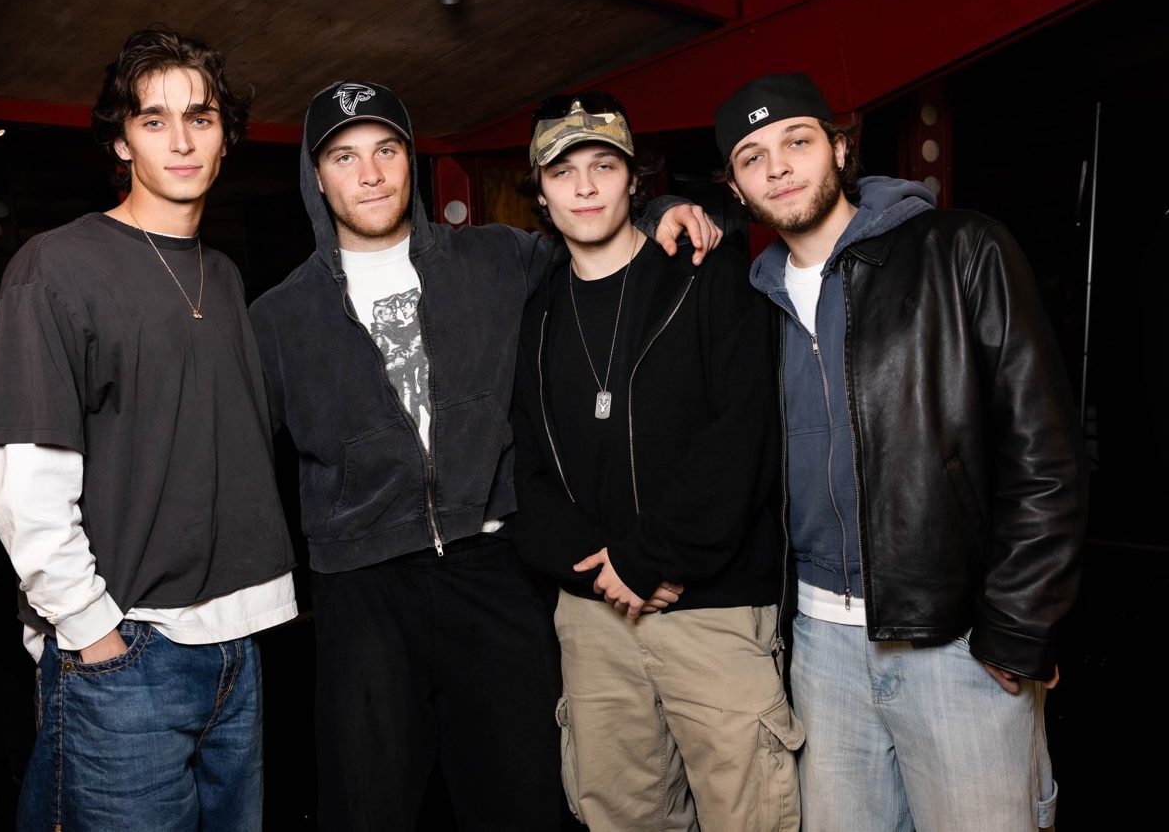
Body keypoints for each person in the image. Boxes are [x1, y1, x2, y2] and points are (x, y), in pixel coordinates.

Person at [248, 80, 719, 830]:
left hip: (493, 569)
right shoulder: (276, 319)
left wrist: (658, 211)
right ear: (317, 177)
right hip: (362, 587)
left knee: (523, 801)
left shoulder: (499, 258)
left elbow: (594, 239)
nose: (370, 174)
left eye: (386, 150)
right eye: (344, 157)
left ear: (411, 161)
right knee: (366, 808)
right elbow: (240, 462)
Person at [714, 72, 1085, 831]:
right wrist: (664, 211)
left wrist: (1018, 624)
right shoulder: (752, 301)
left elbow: (1045, 455)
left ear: (839, 148)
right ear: (735, 187)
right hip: (818, 644)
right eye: (752, 157)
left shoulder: (959, 248)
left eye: (796, 141)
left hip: (956, 637)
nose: (778, 167)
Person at [0, 28, 297, 831]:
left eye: (201, 117)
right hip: (127, 652)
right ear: (122, 141)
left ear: (225, 137)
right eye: (154, 120)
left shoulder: (224, 275)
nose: (182, 140)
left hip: (239, 643)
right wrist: (91, 632)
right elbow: (24, 478)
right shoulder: (57, 265)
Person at [504, 93, 802, 831]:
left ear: (635, 180)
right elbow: (523, 470)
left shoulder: (708, 275)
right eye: (562, 171)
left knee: (750, 816)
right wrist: (597, 568)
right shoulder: (534, 313)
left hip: (713, 611)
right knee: (619, 815)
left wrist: (650, 558)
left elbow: (745, 437)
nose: (584, 187)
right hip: (594, 616)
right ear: (540, 192)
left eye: (603, 166)